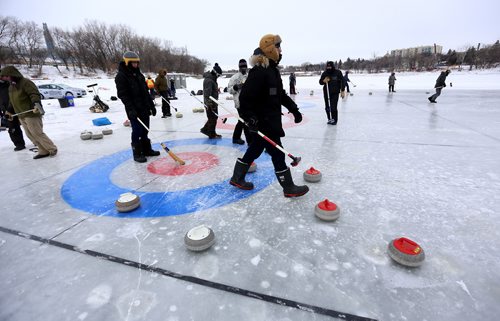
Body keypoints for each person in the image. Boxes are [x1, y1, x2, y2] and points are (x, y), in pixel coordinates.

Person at [231, 34, 308, 198]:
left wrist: (294, 109)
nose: (281, 50)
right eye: (278, 46)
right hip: (263, 123)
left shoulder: (272, 71)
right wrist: (250, 117)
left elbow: (280, 94)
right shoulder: (259, 72)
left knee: (255, 149)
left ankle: (237, 178)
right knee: (278, 154)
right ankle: (288, 187)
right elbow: (244, 98)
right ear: (270, 49)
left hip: (270, 120)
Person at [0, 66, 57, 159]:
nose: (4, 79)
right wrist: (9, 110)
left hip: (31, 113)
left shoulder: (26, 82)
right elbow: (12, 100)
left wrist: (36, 103)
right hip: (21, 114)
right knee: (30, 134)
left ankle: (52, 148)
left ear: (12, 74)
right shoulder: (11, 86)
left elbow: (34, 94)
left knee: (37, 133)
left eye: (6, 76)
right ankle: (43, 151)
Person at [115, 51, 160, 163]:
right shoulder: (121, 76)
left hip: (144, 108)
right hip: (134, 109)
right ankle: (137, 152)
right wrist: (131, 109)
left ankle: (146, 149)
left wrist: (151, 105)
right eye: (133, 63)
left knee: (145, 129)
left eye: (136, 63)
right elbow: (123, 95)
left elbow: (145, 92)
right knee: (137, 131)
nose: (135, 65)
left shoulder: (139, 75)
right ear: (127, 62)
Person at [0, 65, 26, 151]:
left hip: (18, 106)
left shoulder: (11, 82)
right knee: (12, 128)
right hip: (6, 111)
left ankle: (37, 141)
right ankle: (19, 144)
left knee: (29, 125)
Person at [228, 59, 252, 145]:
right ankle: (250, 141)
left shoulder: (249, 76)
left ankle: (236, 137)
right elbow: (229, 90)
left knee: (242, 120)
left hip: (248, 103)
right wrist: (235, 87)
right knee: (245, 121)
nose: (243, 68)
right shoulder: (234, 78)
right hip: (239, 103)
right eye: (242, 66)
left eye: (244, 66)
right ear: (239, 67)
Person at [200, 63, 223, 139]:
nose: (219, 77)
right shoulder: (209, 80)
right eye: (218, 75)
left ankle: (206, 130)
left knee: (213, 118)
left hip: (214, 102)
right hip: (210, 104)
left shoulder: (212, 79)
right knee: (212, 118)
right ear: (215, 73)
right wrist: (209, 105)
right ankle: (211, 134)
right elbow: (207, 94)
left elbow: (211, 91)